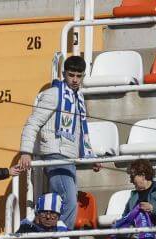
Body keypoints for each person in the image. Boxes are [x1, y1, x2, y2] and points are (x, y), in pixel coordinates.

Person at [19, 55, 99, 229]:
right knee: (68, 201)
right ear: (64, 74)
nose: (75, 80)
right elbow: (33, 123)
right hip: (55, 153)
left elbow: (81, 131)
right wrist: (26, 151)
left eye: (79, 76)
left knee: (64, 203)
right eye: (71, 75)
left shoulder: (79, 98)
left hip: (69, 157)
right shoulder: (54, 94)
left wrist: (91, 155)